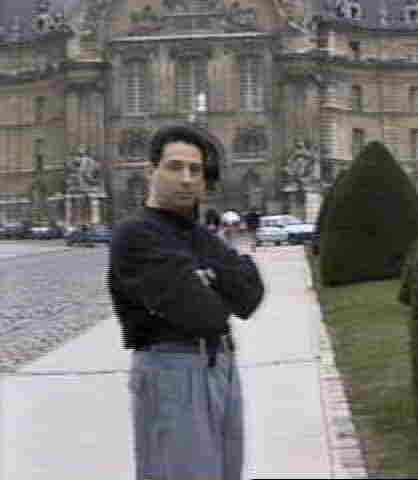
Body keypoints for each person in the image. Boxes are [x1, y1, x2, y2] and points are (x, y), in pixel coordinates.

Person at [108, 124, 264, 480]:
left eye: (195, 170)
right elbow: (201, 312)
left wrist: (208, 278)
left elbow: (249, 296)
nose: (187, 178)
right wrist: (216, 278)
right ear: (151, 171)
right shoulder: (136, 234)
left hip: (221, 365)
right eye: (175, 167)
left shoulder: (197, 233)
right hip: (172, 369)